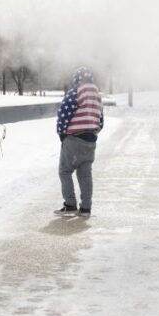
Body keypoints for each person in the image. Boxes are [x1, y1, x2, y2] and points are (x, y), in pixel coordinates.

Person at [53, 67, 104, 218]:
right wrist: (92, 130)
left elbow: (64, 113)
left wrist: (62, 133)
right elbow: (100, 119)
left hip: (74, 138)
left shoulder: (76, 91)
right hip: (90, 140)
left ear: (76, 79)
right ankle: (86, 208)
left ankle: (70, 205)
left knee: (65, 171)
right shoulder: (97, 95)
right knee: (85, 175)